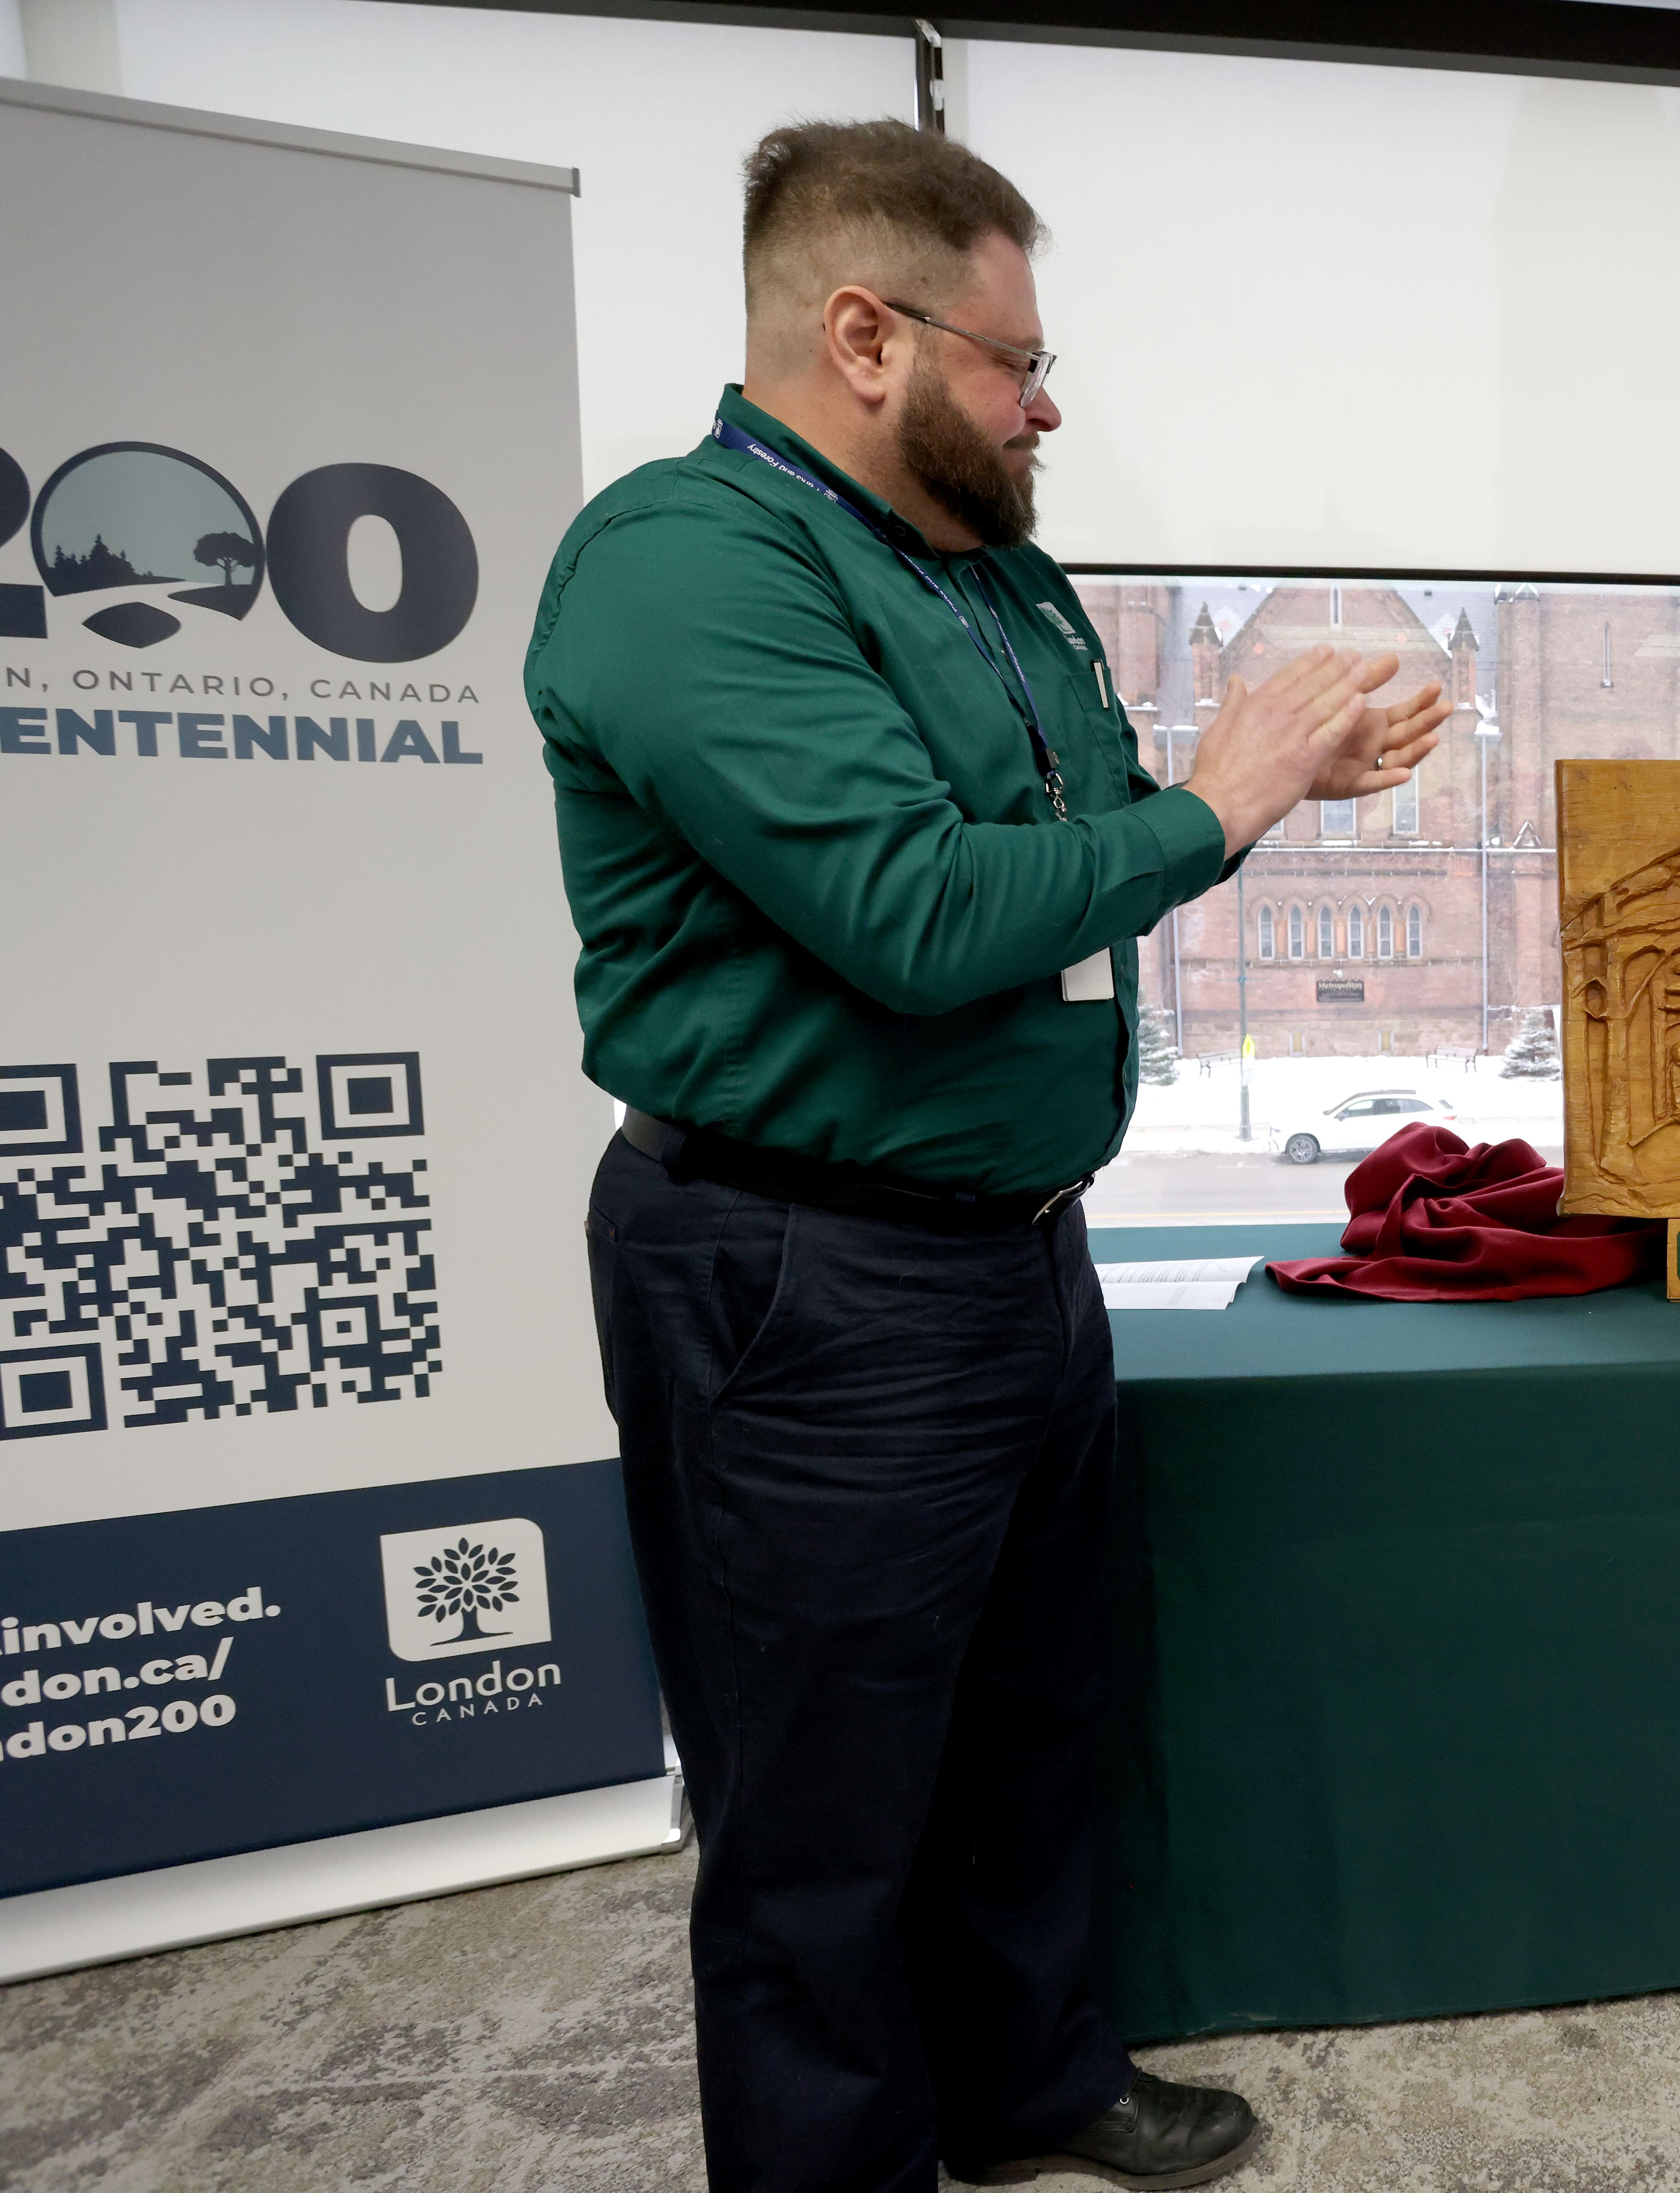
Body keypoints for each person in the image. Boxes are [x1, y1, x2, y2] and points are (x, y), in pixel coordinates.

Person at [528, 121, 1448, 2193]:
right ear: (861, 332)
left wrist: (1273, 780)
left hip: (1013, 1249)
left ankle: (1028, 2081)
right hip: (798, 1264)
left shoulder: (989, 571)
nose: (1045, 405)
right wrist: (1224, 804)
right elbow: (925, 910)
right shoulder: (689, 564)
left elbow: (1093, 815)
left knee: (1029, 1724)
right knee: (818, 1810)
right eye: (1012, 362)